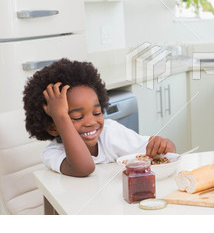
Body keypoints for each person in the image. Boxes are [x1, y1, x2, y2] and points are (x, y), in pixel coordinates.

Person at [23, 58, 176, 177]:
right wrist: (60, 115)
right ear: (54, 127)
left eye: (97, 113)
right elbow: (84, 168)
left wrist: (162, 145)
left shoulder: (110, 132)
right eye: (77, 117)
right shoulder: (53, 154)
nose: (91, 122)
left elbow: (167, 153)